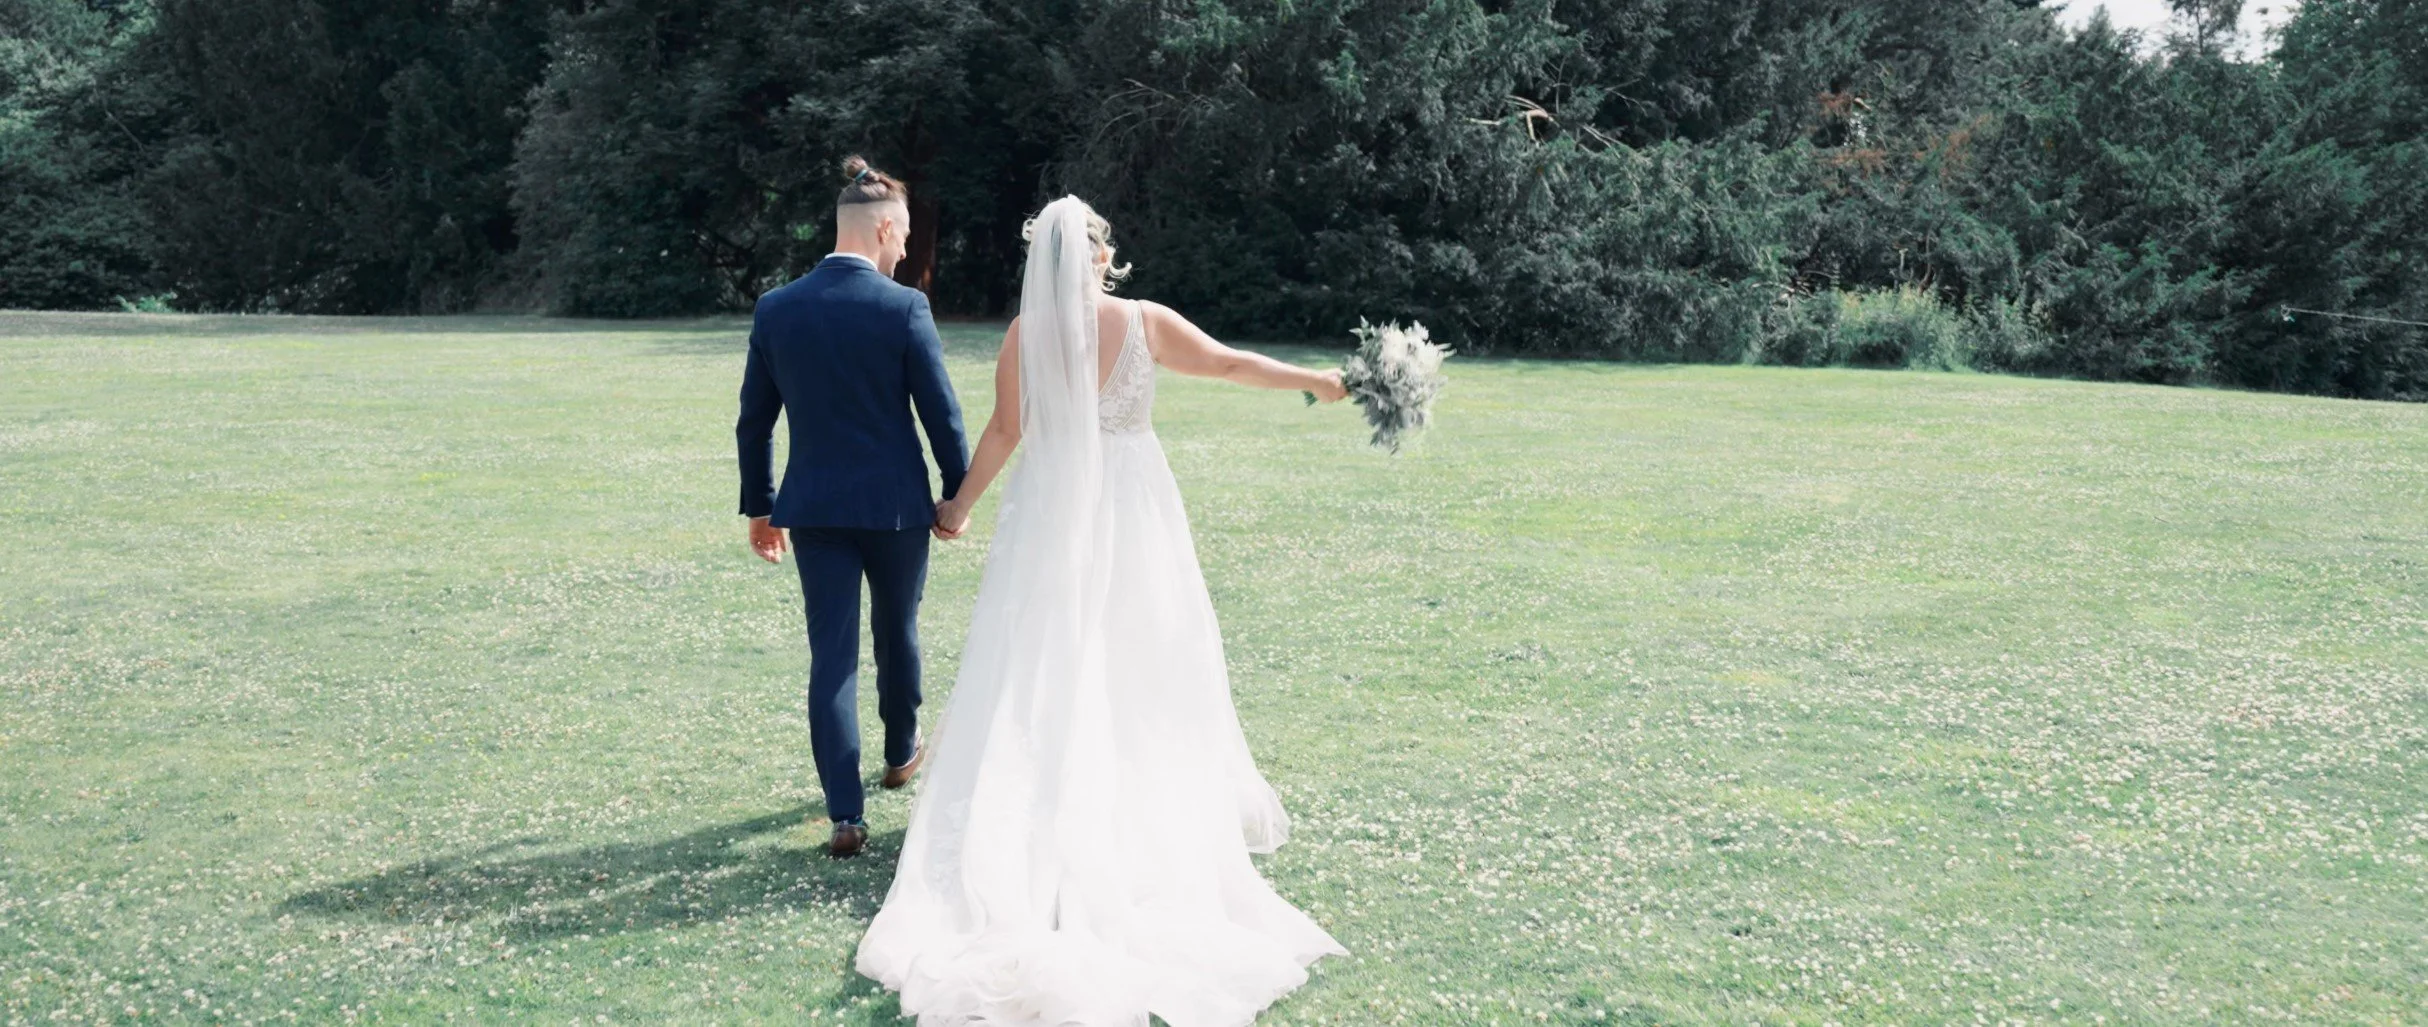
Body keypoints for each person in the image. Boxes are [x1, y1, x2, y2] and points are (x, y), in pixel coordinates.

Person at [854, 196, 1349, 1025]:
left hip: (1050, 513)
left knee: (1043, 662)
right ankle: (1133, 820)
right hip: (1132, 508)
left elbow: (1009, 431)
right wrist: (1316, 381)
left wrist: (961, 505)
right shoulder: (1145, 321)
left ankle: (1046, 815)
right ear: (1098, 255)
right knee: (1143, 659)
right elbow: (1227, 364)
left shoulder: (1023, 334)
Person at [734, 156, 969, 859]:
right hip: (895, 508)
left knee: (830, 655)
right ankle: (902, 751)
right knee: (897, 631)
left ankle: (846, 812)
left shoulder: (777, 308)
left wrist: (760, 506)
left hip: (812, 510)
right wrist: (956, 496)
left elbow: (754, 421)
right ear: (885, 228)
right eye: (901, 240)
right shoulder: (904, 307)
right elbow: (942, 414)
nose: (903, 251)